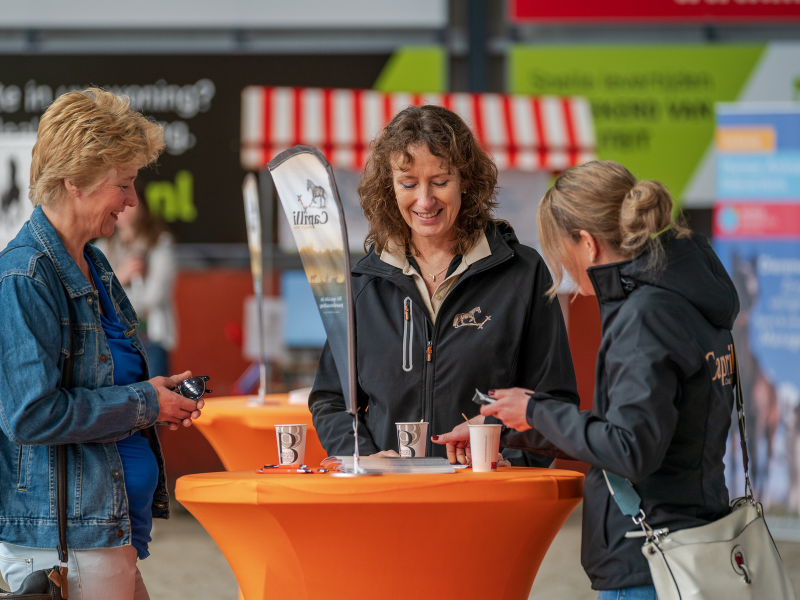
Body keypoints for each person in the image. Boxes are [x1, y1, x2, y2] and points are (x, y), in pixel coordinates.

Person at [434, 160, 740, 600]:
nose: (564, 271)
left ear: (588, 244)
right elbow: (634, 428)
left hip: (649, 563)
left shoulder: (644, 316)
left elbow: (629, 450)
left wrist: (535, 408)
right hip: (690, 544)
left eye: (561, 251)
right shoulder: (689, 298)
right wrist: (513, 429)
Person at [0, 88, 203, 600]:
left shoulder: (95, 264)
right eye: (124, 184)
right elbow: (31, 414)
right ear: (77, 180)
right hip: (67, 544)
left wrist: (153, 397)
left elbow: (99, 385)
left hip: (107, 531)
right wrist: (145, 403)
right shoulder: (26, 276)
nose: (132, 201)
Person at [309, 104, 579, 463]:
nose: (425, 200)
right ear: (390, 188)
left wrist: (510, 460)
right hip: (388, 498)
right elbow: (332, 399)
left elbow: (553, 401)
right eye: (408, 183)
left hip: (487, 499)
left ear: (466, 181)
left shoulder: (523, 273)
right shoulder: (363, 282)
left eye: (440, 182)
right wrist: (361, 457)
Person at [96, 199, 177, 377]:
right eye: (120, 203)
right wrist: (119, 277)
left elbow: (154, 296)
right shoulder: (101, 247)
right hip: (115, 341)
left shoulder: (160, 243)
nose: (124, 209)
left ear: (143, 207)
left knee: (155, 399)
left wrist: (112, 295)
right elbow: (94, 295)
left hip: (151, 338)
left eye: (131, 204)